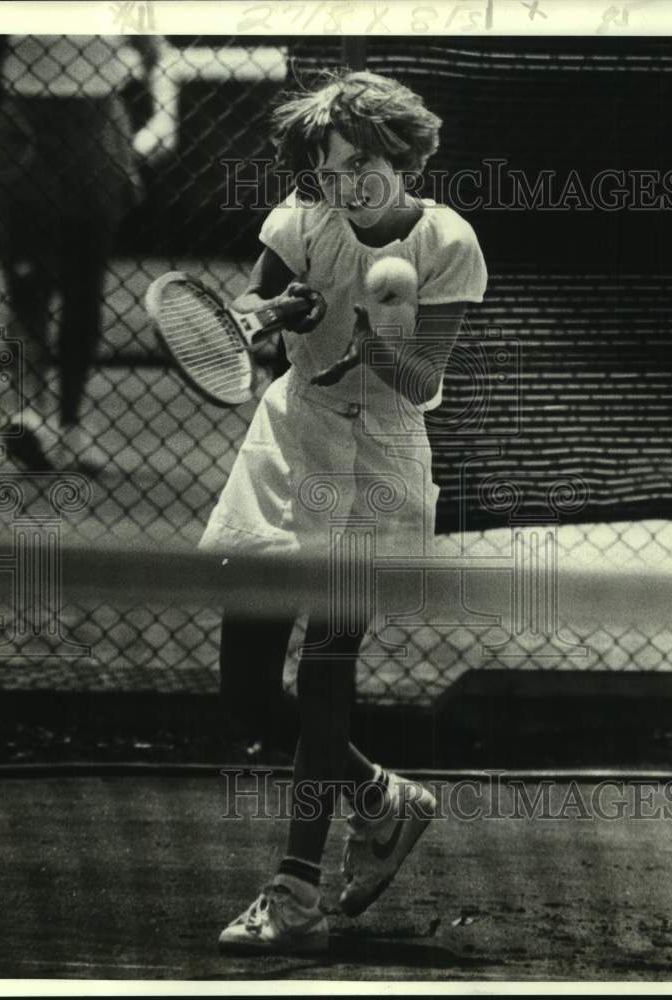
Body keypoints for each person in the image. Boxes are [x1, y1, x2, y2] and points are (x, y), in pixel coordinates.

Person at [199, 70, 488, 953]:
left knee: (327, 671)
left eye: (364, 163)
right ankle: (379, 797)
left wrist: (377, 342)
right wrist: (269, 316)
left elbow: (424, 383)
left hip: (380, 465)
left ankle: (295, 893)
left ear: (402, 156)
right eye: (330, 171)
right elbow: (259, 311)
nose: (347, 184)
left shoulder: (448, 244)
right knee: (247, 692)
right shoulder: (300, 223)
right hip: (289, 446)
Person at [0, 34, 177, 471]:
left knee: (85, 289)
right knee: (27, 287)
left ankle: (69, 428)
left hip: (96, 126)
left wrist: (163, 117)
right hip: (23, 127)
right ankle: (29, 415)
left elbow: (155, 52)